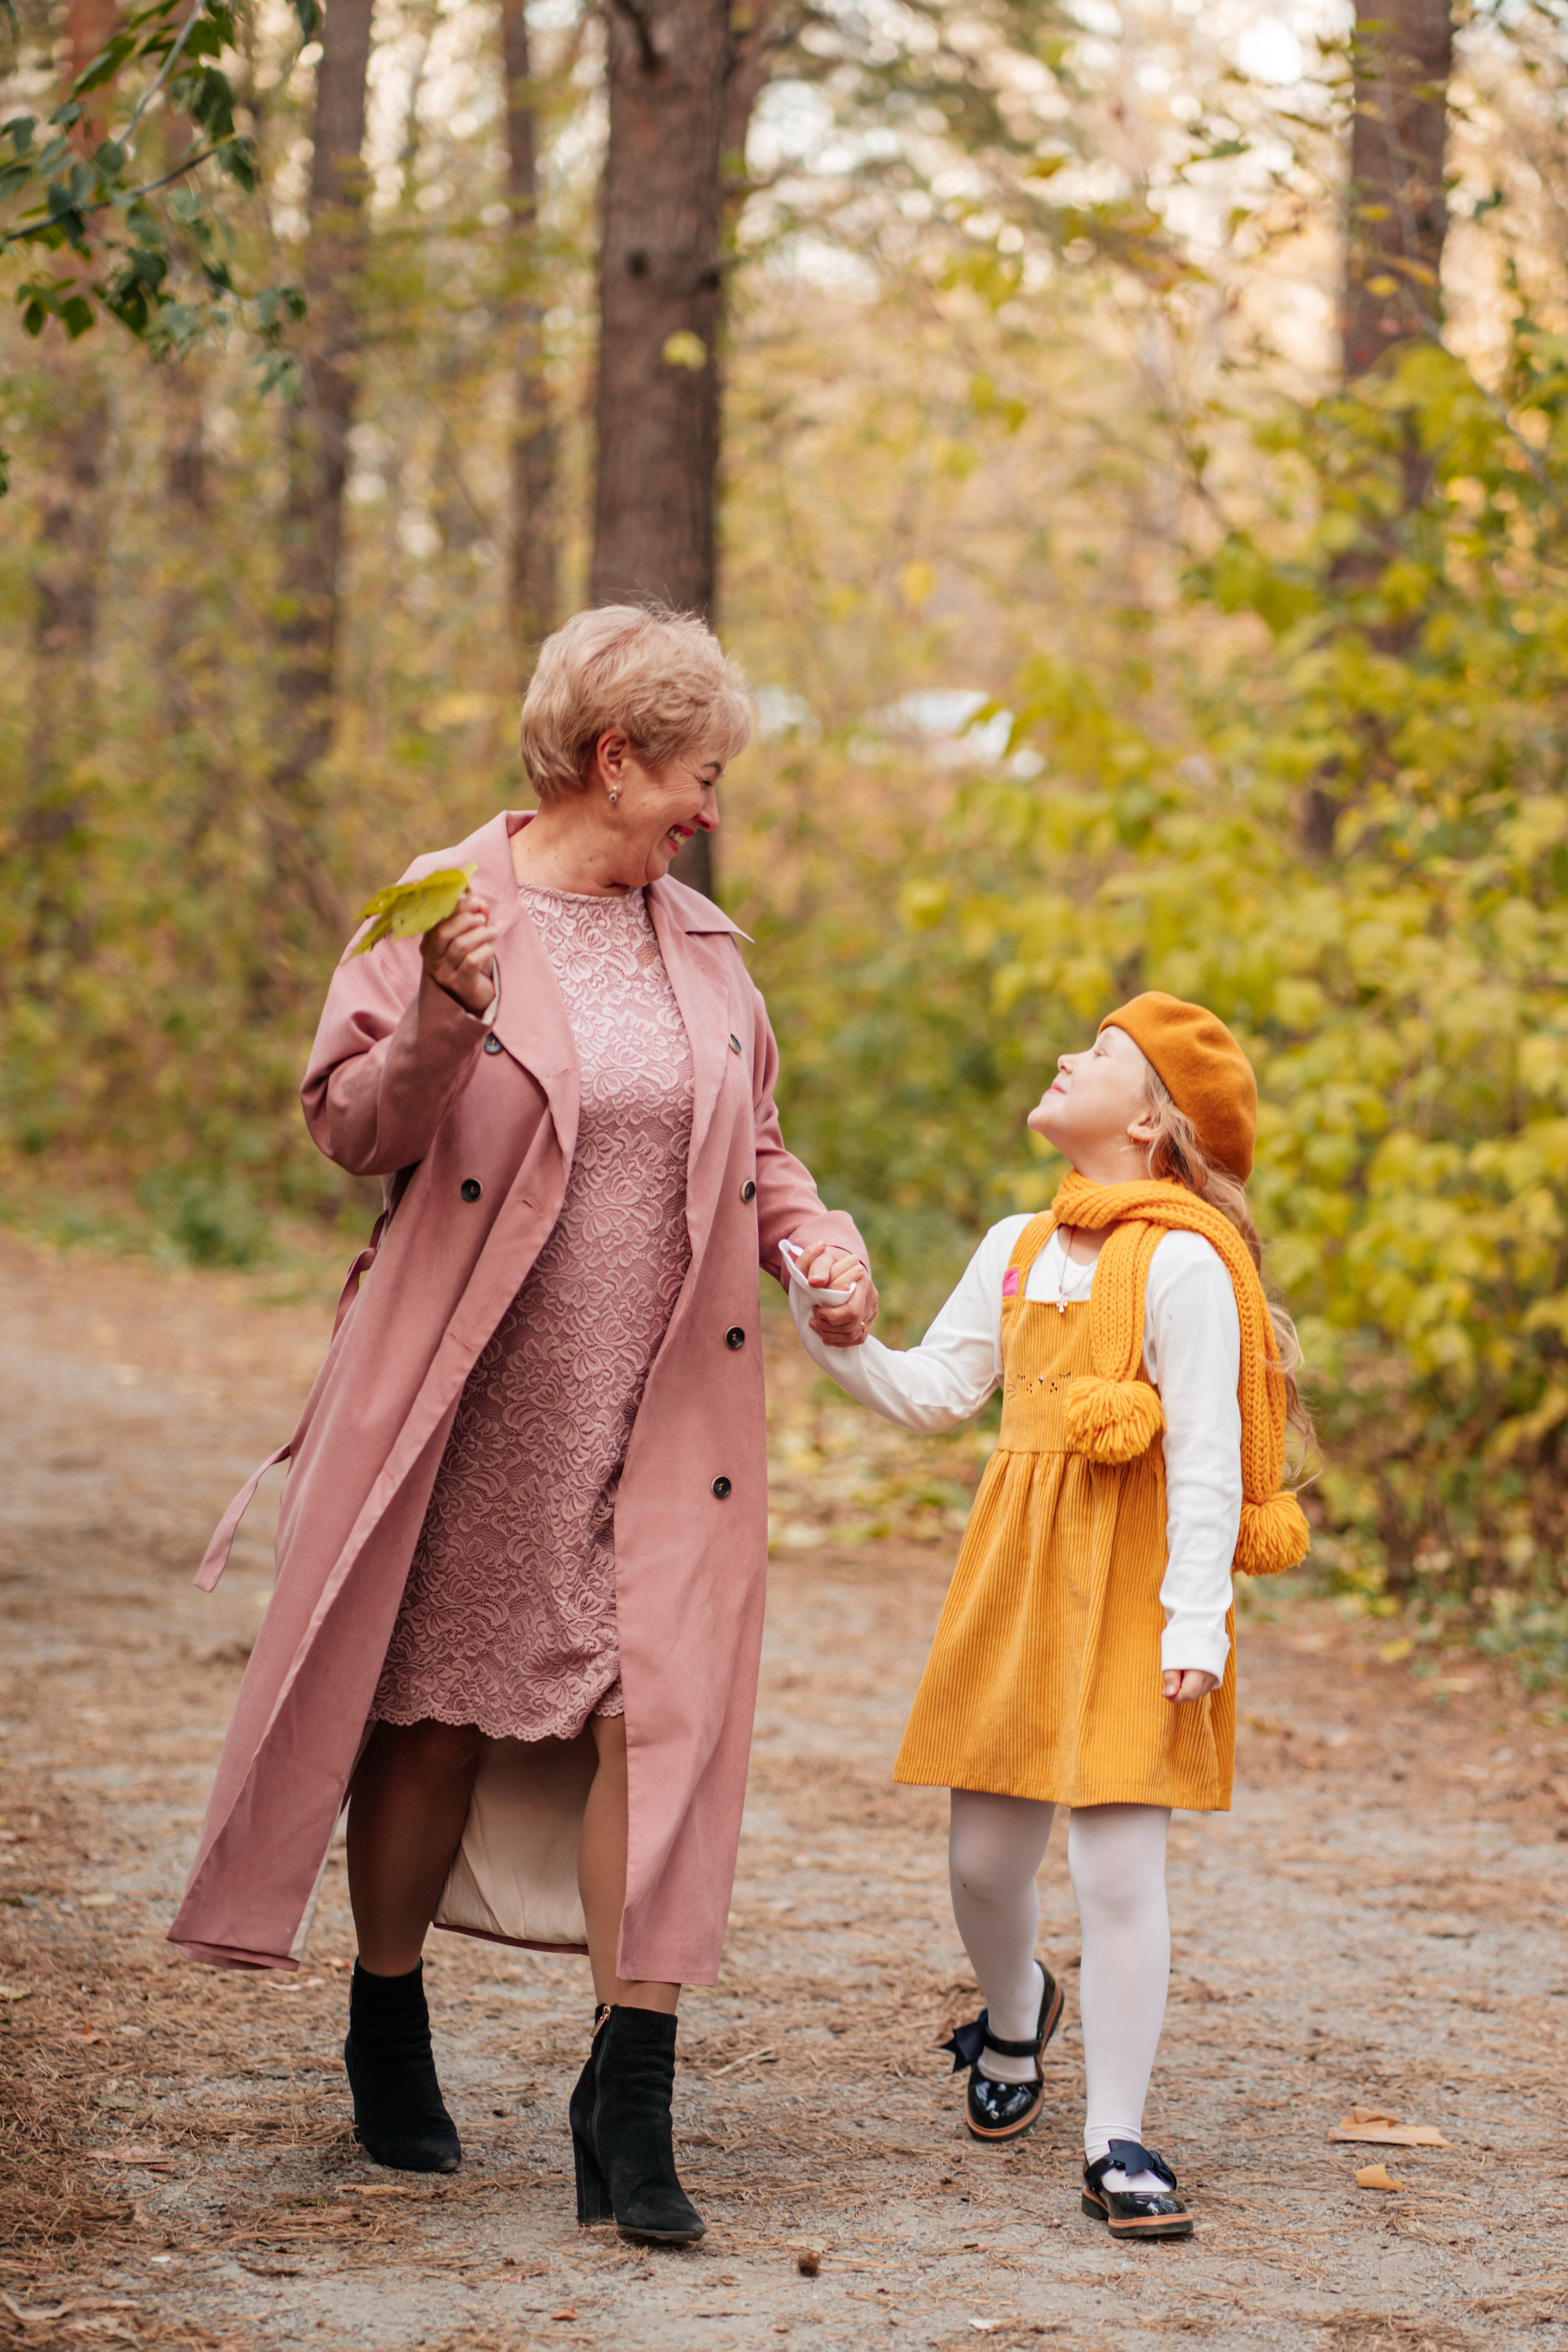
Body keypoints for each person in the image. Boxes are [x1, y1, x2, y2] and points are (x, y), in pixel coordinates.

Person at [169, 604, 877, 2248]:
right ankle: (387, 2014)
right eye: (694, 775)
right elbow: (351, 1129)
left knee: (662, 1722)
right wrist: (437, 1016)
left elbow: (761, 1145)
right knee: (432, 1719)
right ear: (613, 758)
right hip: (471, 1402)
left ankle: (631, 2107)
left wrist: (815, 1242)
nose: (708, 808)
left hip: (663, 1405)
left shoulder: (699, 942)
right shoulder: (439, 910)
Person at [786, 993, 1310, 2241]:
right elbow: (933, 1393)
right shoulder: (1016, 1245)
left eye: (1101, 1053)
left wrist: (1197, 1623)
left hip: (1135, 1595)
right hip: (1018, 1584)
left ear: (1148, 1122)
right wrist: (832, 1328)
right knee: (981, 1863)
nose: (1066, 1054)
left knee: (1117, 1868)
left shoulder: (1183, 1262)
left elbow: (1197, 1461)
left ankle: (1115, 2139)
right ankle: (1015, 2010)